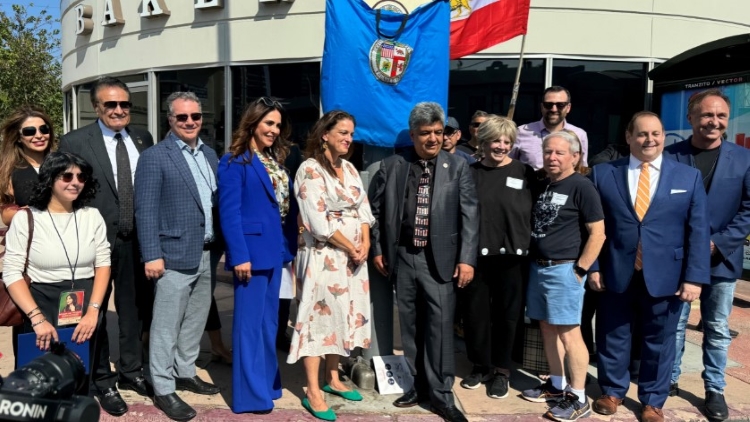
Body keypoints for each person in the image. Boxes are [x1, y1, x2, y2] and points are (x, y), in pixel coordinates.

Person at [588, 111, 710, 422]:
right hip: (616, 270)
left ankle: (653, 401)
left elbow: (698, 230)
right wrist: (594, 268)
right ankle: (612, 391)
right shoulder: (603, 174)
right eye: (641, 134)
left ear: (663, 136)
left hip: (667, 275)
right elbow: (592, 226)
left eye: (655, 134)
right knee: (613, 333)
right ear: (629, 137)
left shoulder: (687, 176)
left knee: (661, 339)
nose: (649, 140)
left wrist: (694, 277)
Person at [370, 102, 478, 422]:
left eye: (437, 132)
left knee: (440, 329)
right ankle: (417, 385)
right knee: (412, 327)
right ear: (413, 135)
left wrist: (467, 259)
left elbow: (470, 216)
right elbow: (373, 214)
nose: (432, 139)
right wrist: (377, 248)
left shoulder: (458, 167)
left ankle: (442, 395)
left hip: (441, 260)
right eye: (425, 133)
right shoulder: (392, 167)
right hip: (403, 257)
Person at [58, 76, 154, 414]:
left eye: (124, 104)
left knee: (134, 312)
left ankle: (131, 371)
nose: (118, 110)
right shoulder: (74, 141)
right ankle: (102, 380)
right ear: (97, 108)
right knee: (92, 314)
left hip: (136, 241)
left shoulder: (143, 137)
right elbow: (63, 190)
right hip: (92, 244)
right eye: (110, 104)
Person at [135, 91, 221, 421]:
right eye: (182, 117)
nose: (189, 122)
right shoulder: (156, 157)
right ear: (170, 119)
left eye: (195, 116)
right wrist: (152, 254)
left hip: (207, 253)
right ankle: (163, 387)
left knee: (195, 319)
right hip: (171, 254)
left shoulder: (210, 154)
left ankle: (185, 371)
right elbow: (146, 210)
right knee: (166, 325)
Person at [665, 89, 750, 421]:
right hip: (679, 258)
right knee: (675, 324)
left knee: (716, 326)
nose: (714, 122)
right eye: (706, 115)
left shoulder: (744, 158)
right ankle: (667, 380)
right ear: (691, 118)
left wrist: (717, 243)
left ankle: (714, 389)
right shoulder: (670, 157)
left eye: (721, 116)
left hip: (721, 260)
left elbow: (747, 210)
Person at [287, 110, 374, 421]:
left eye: (351, 134)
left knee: (342, 316)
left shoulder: (349, 168)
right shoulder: (309, 171)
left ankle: (333, 376)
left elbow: (364, 210)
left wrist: (364, 242)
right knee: (317, 320)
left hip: (352, 259)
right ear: (325, 134)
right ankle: (313, 390)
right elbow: (317, 220)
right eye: (343, 133)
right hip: (324, 258)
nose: (349, 139)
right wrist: (352, 246)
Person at [3, 152, 110, 390]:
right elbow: (12, 272)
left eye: (81, 177)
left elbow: (103, 264)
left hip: (84, 306)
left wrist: (93, 312)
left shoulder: (91, 216)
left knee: (79, 380)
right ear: (50, 178)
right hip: (38, 304)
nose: (75, 182)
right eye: (67, 175)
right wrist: (37, 318)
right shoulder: (27, 218)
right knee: (36, 383)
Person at [218, 96, 296, 415]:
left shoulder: (273, 160)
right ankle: (250, 396)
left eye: (277, 125)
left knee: (268, 325)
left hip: (275, 253)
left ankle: (267, 385)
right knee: (248, 327)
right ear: (253, 122)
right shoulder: (235, 161)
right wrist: (240, 255)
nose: (274, 130)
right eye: (268, 123)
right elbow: (230, 212)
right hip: (250, 255)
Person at [520, 131, 605, 422]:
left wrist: (580, 269)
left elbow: (598, 233)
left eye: (559, 153)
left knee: (570, 334)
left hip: (564, 270)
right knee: (546, 328)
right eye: (548, 152)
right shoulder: (544, 184)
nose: (552, 157)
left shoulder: (582, 186)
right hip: (538, 268)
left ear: (575, 156)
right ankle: (556, 385)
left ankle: (578, 396)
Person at [460, 115, 536, 399]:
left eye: (506, 141)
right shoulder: (470, 172)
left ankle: (502, 370)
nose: (501, 146)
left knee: (508, 316)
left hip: (514, 259)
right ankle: (480, 365)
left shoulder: (526, 173)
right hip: (477, 257)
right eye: (496, 140)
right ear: (483, 141)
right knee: (476, 315)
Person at [0, 106, 54, 226]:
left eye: (44, 129)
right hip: (30, 238)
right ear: (18, 138)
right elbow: (6, 216)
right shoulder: (9, 170)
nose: (39, 135)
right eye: (30, 131)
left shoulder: (63, 163)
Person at [513, 86, 589, 170]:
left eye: (560, 105)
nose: (554, 109)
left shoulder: (579, 135)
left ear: (568, 107)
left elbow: (581, 168)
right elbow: (509, 166)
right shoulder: (521, 132)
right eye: (548, 105)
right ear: (542, 107)